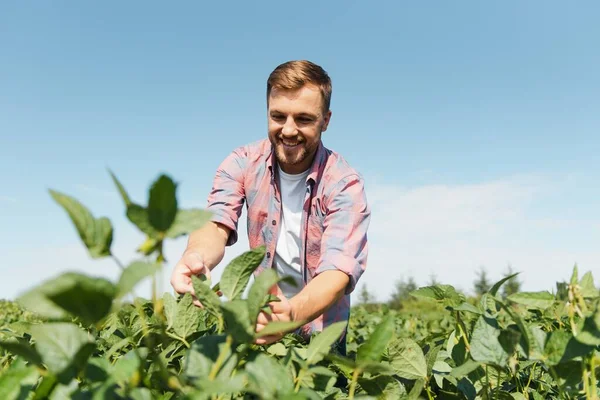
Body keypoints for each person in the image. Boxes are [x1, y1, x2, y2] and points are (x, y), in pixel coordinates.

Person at [169, 60, 370, 353]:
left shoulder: (344, 183)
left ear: (325, 121)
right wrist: (195, 256)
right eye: (278, 116)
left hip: (322, 334)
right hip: (264, 323)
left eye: (304, 119)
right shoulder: (242, 163)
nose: (288, 130)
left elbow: (338, 270)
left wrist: (292, 314)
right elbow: (215, 222)